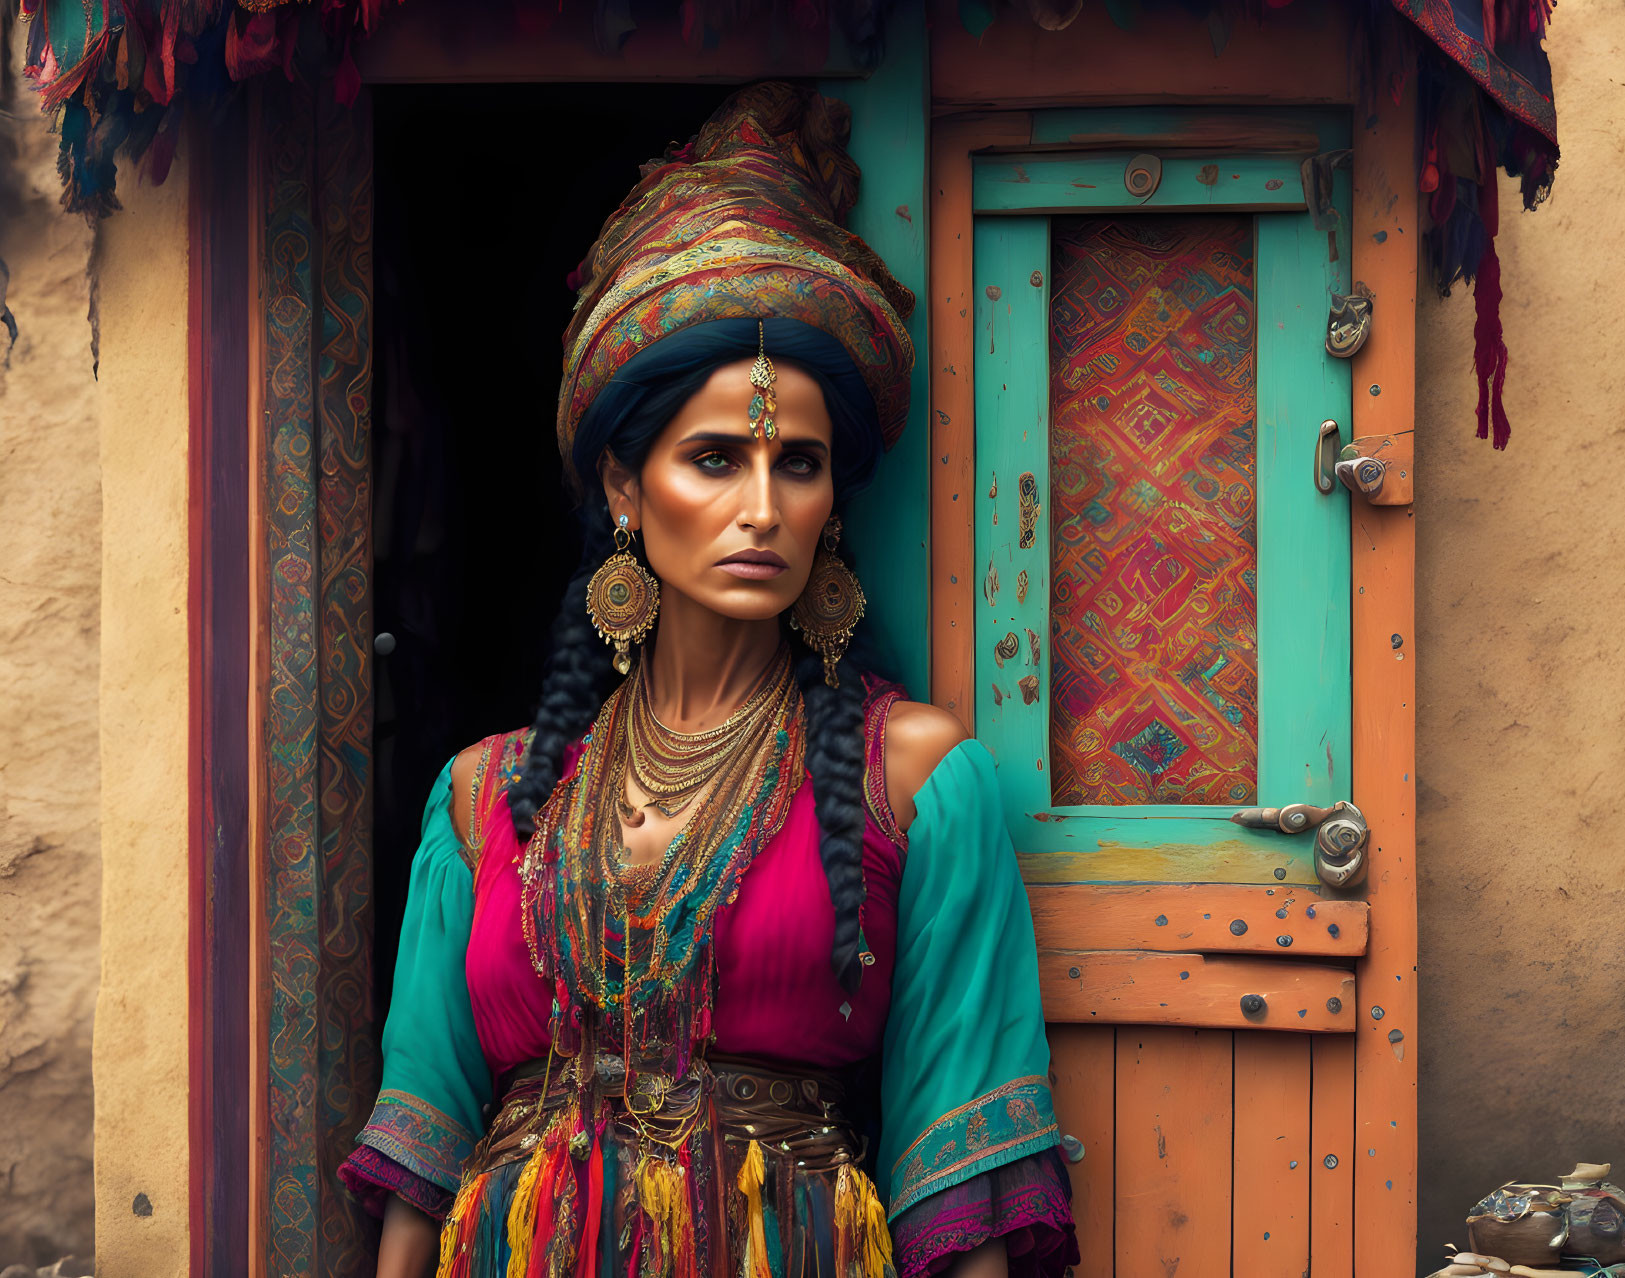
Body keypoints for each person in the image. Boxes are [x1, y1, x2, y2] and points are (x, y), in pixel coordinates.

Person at [342, 81, 1079, 1278]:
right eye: (713, 459)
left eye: (798, 464)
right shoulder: (485, 800)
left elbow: (960, 1183)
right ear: (625, 491)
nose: (760, 508)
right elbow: (422, 1147)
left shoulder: (917, 780)